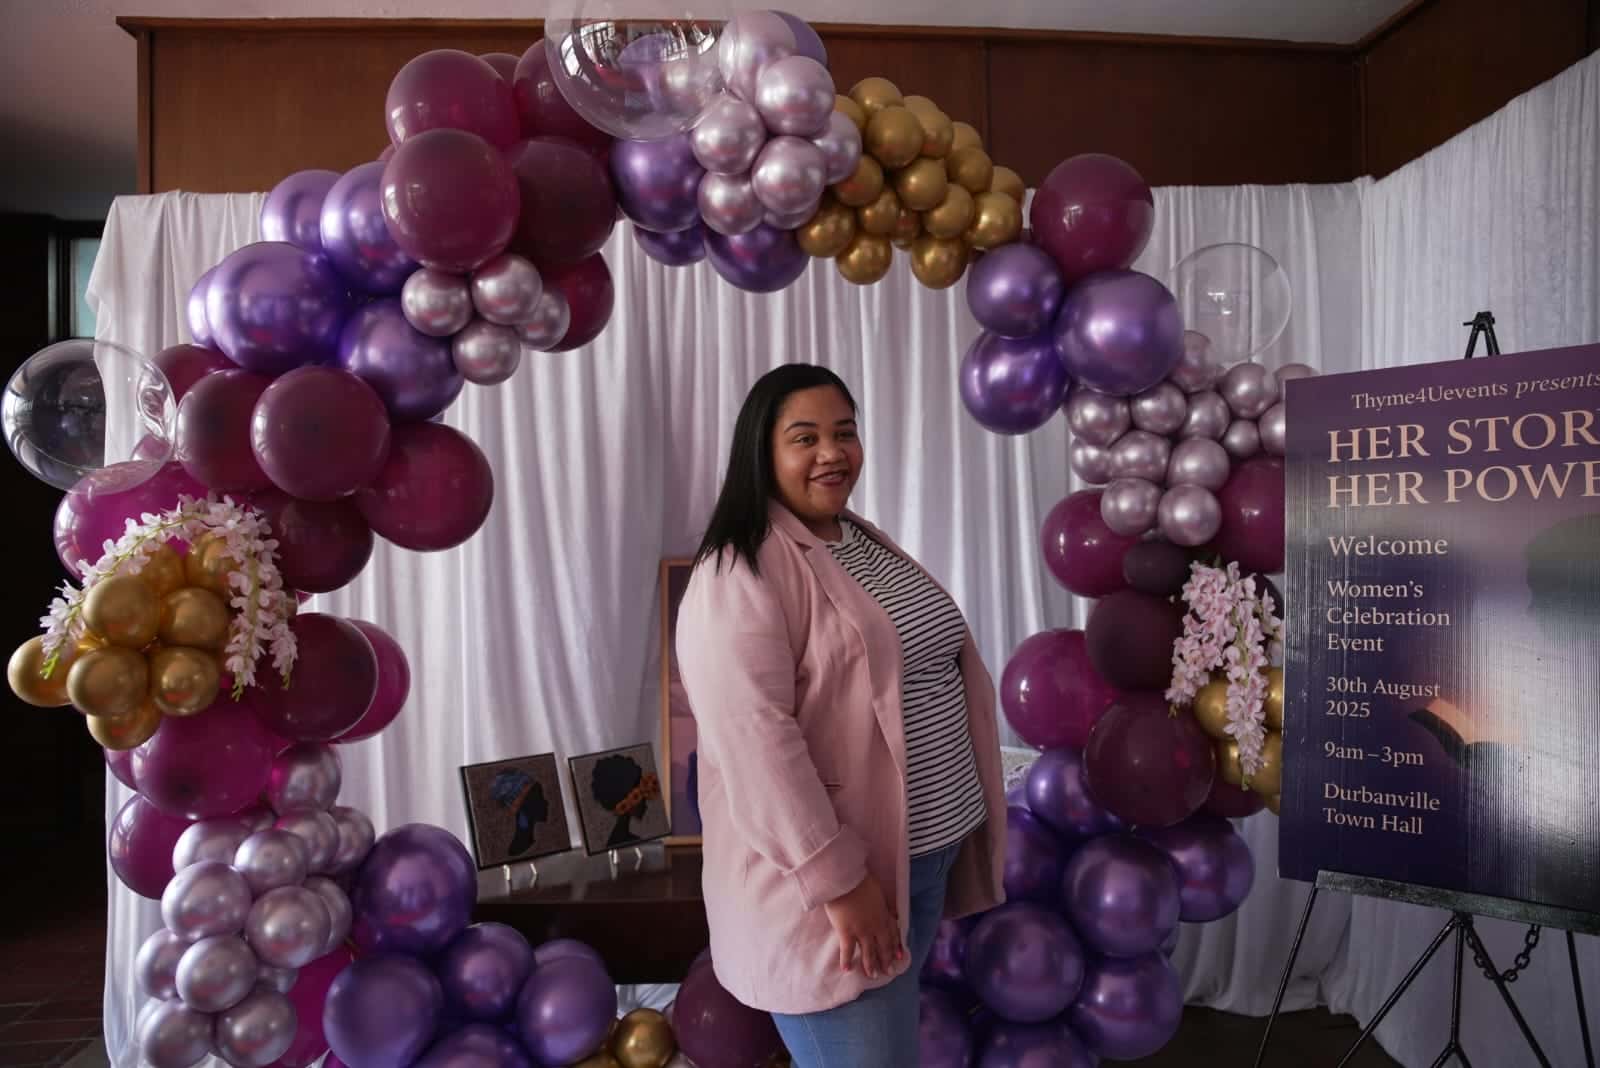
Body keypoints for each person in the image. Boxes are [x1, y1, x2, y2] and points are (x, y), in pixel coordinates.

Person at [675, 364, 1006, 1067]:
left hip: (916, 861)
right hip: (834, 889)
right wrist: (840, 883)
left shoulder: (855, 537)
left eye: (844, 433)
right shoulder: (739, 570)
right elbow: (756, 744)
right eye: (805, 438)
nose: (832, 453)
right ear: (762, 453)